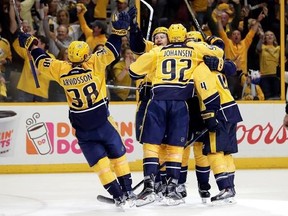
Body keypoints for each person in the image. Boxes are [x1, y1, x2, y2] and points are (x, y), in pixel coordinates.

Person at [18, 11, 136, 208]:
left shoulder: (61, 69)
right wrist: (118, 31)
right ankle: (128, 190)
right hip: (102, 120)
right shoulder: (94, 63)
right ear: (85, 55)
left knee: (100, 164)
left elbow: (41, 59)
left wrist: (30, 43)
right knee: (118, 156)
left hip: (82, 127)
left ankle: (117, 195)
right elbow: (113, 49)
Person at [129, 23, 224, 207]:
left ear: (169, 37)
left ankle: (149, 186)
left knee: (152, 144)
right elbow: (218, 52)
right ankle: (172, 188)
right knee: (175, 146)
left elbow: (133, 71)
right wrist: (212, 40)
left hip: (158, 102)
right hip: (181, 104)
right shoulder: (194, 48)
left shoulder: (158, 51)